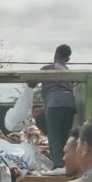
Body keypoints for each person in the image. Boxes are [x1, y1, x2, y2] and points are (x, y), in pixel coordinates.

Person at [31, 44, 76, 175]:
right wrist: (43, 108)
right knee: (64, 135)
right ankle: (67, 165)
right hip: (69, 105)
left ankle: (58, 166)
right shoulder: (70, 73)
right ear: (68, 59)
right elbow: (61, 93)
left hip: (54, 105)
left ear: (55, 55)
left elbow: (31, 82)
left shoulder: (47, 69)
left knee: (54, 135)